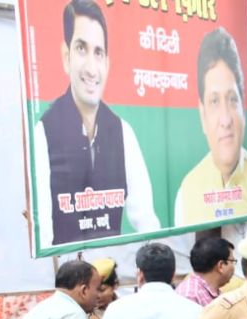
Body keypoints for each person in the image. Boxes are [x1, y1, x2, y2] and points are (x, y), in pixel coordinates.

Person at [34, 0, 159, 246]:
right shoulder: (44, 133)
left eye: (98, 52)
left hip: (111, 276)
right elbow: (44, 234)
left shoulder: (123, 132)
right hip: (68, 277)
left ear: (107, 64)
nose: (91, 68)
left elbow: (146, 220)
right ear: (66, 56)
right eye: (82, 49)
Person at [174, 28, 247, 228]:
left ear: (244, 107)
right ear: (202, 115)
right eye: (214, 101)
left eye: (232, 99)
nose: (226, 119)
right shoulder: (187, 193)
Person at [176, 236, 237, 307]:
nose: (233, 266)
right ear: (221, 266)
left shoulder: (213, 293)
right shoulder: (190, 296)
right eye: (232, 261)